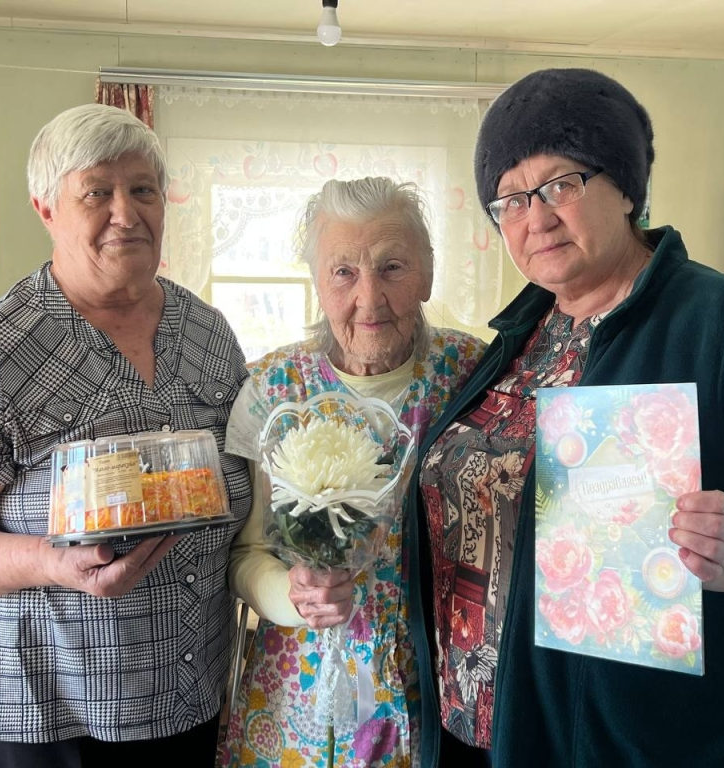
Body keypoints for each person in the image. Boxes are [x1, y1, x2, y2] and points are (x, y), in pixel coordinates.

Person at [403, 68, 724, 767]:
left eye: (560, 184)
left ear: (626, 186)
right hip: (488, 728)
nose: (536, 217)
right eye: (510, 199)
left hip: (637, 738)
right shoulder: (519, 337)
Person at [0, 103, 252, 768]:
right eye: (97, 192)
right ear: (46, 210)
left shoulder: (209, 333)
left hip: (190, 695)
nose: (126, 213)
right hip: (50, 721)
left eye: (143, 189)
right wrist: (52, 563)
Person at [218, 177, 485, 767]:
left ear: (427, 274)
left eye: (392, 267)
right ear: (318, 282)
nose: (369, 298)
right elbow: (244, 553)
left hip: (437, 687)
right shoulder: (274, 389)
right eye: (344, 272)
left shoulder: (473, 375)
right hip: (300, 694)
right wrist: (293, 596)